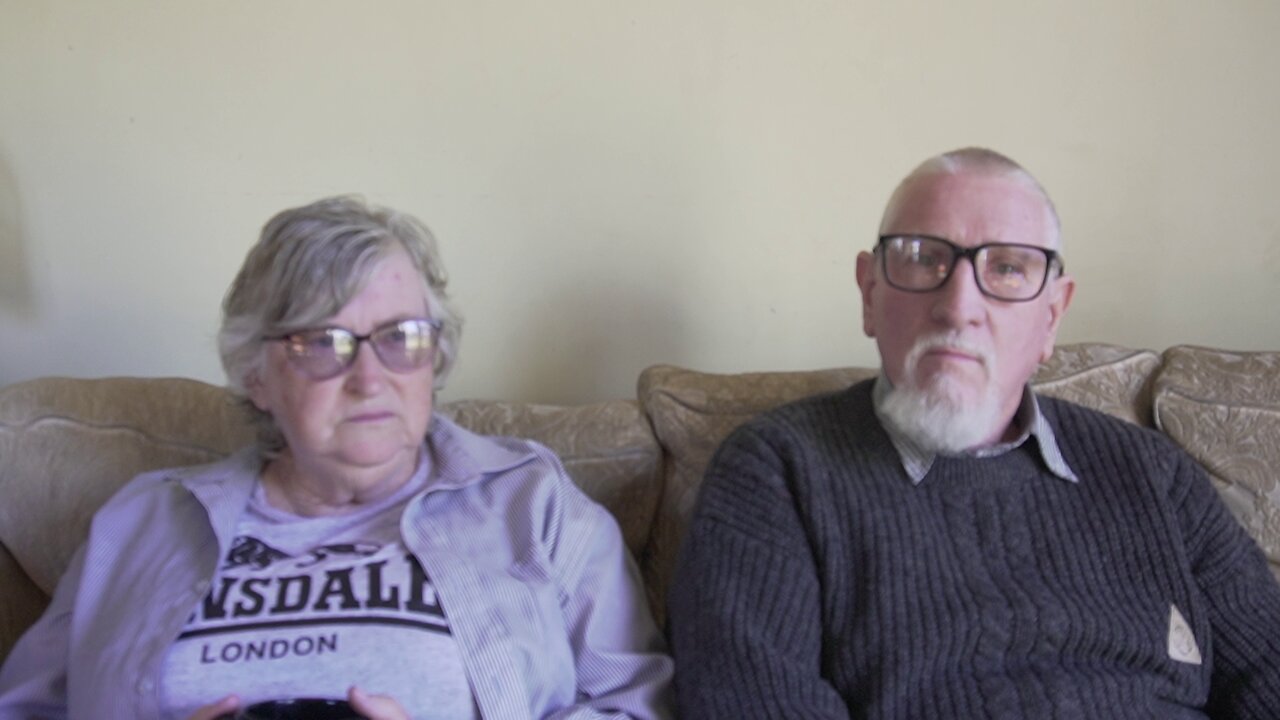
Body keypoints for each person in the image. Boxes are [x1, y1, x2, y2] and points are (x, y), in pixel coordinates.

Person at [0, 196, 673, 719]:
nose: (370, 377)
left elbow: (637, 707)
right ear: (254, 375)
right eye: (323, 342)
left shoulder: (532, 502)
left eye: (400, 337)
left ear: (435, 357)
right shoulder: (143, 521)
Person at [667, 148, 1280, 718]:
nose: (959, 305)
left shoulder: (1153, 473)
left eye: (1008, 268)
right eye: (922, 258)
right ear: (869, 292)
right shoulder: (777, 471)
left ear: (1051, 317)